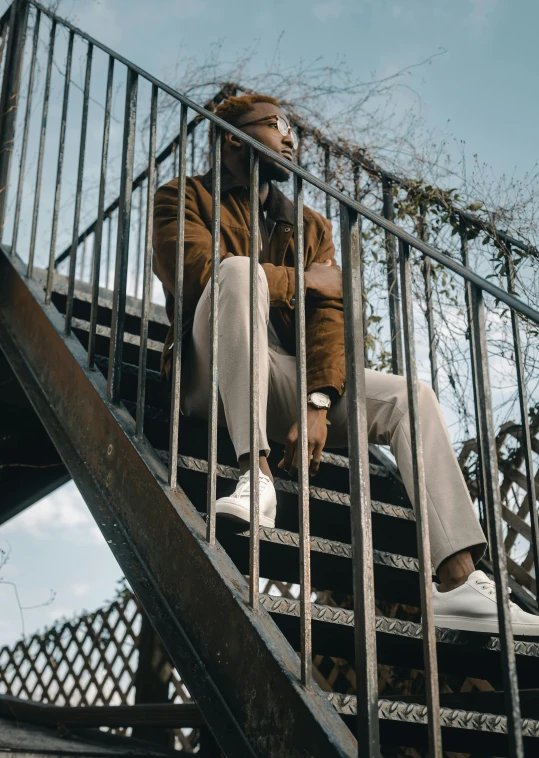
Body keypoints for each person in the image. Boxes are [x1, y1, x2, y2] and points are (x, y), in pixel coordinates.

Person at [152, 94, 539, 636]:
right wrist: (302, 282)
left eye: (292, 130)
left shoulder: (308, 226)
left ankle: (456, 584)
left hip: (280, 376)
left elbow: (330, 317)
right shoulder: (183, 197)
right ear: (234, 137)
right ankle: (253, 477)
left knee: (411, 397)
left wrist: (318, 402)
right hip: (206, 375)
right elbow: (192, 269)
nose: (290, 138)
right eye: (275, 126)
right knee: (237, 274)